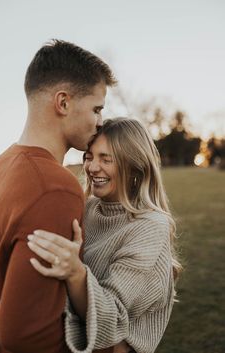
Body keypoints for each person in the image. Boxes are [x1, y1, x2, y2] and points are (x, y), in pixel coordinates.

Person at [0, 39, 116, 353]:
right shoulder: (55, 188)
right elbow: (27, 337)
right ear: (63, 103)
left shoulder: (2, 164)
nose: (100, 121)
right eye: (96, 108)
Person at [27, 118, 182, 353]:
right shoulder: (87, 207)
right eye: (89, 157)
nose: (92, 167)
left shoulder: (149, 226)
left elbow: (109, 318)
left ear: (134, 165)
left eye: (106, 159)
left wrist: (75, 273)